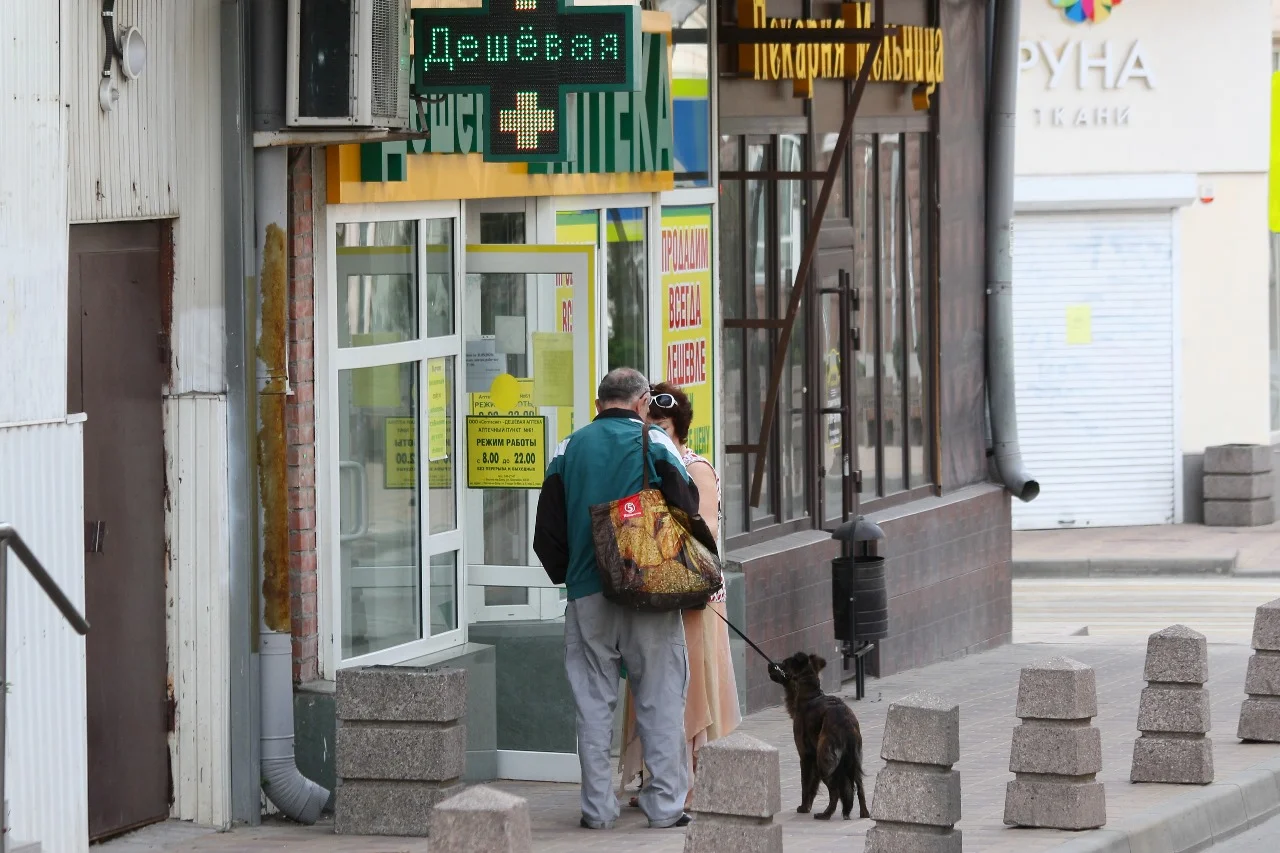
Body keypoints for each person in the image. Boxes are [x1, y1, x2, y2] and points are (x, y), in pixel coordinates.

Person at [533, 367, 702, 831]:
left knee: (592, 704)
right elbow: (688, 507)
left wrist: (574, 576)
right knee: (661, 699)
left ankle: (597, 810)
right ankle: (666, 807)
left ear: (597, 404)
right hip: (649, 593)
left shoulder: (568, 448)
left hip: (588, 595)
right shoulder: (656, 442)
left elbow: (545, 532)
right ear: (644, 402)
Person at [617, 382, 741, 809]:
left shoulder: (696, 467)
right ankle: (658, 778)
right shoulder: (642, 465)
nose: (655, 434)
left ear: (679, 428)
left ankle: (688, 779)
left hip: (692, 597)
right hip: (652, 593)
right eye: (649, 426)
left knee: (689, 689)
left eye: (663, 427)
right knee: (652, 683)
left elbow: (701, 535)